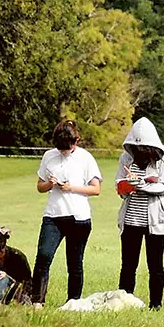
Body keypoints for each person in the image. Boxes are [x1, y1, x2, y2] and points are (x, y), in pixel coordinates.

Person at [32, 119, 102, 307]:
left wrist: (71, 188)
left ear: (76, 141)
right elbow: (40, 186)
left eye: (68, 148)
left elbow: (95, 189)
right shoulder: (49, 156)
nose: (64, 152)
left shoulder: (85, 158)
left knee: (74, 262)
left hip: (78, 217)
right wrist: (50, 184)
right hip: (53, 215)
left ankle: (73, 302)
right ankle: (38, 301)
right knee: (44, 256)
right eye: (61, 148)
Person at [115, 116, 164, 310]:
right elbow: (119, 186)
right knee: (128, 264)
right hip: (131, 217)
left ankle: (155, 304)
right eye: (137, 148)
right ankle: (125, 300)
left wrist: (142, 185)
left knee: (155, 265)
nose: (140, 151)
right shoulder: (126, 158)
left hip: (156, 220)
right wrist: (127, 186)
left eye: (144, 148)